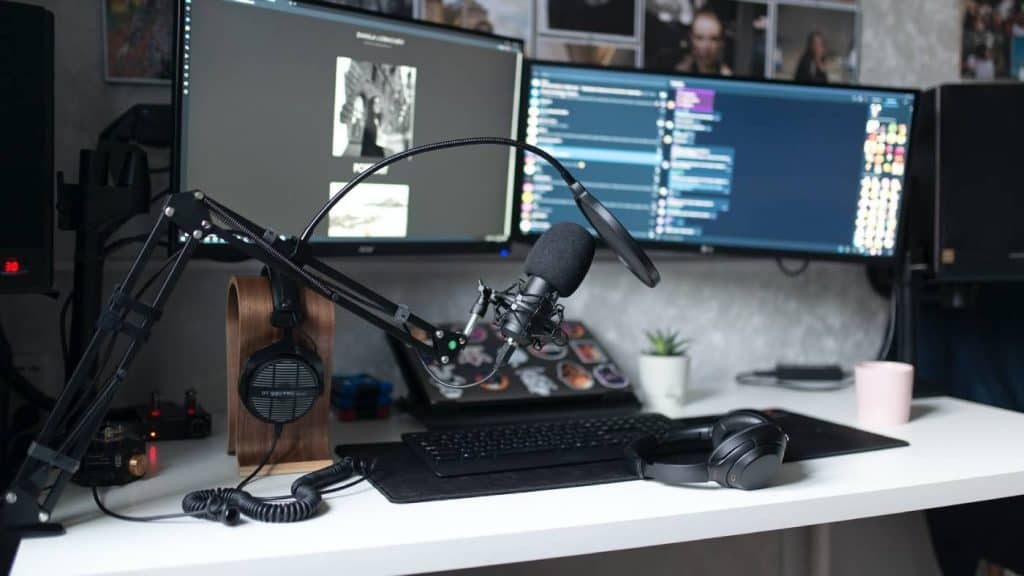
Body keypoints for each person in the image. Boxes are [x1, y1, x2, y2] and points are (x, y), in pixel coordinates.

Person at [674, 9, 732, 76]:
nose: (706, 47)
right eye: (700, 38)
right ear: (691, 39)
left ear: (721, 42)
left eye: (714, 39)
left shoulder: (728, 75)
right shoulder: (679, 73)